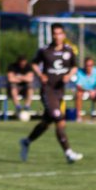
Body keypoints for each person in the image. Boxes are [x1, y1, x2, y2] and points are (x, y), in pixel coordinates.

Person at [20, 25, 83, 163]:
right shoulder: (45, 50)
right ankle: (68, 152)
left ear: (63, 35)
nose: (57, 36)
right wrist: (40, 74)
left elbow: (74, 67)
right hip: (47, 90)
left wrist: (69, 75)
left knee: (46, 123)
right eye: (54, 33)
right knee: (59, 119)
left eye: (59, 33)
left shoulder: (69, 51)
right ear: (52, 35)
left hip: (60, 91)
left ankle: (26, 141)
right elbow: (34, 64)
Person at [74, 56, 96, 122]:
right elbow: (79, 86)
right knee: (78, 94)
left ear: (93, 65)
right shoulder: (80, 72)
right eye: (87, 65)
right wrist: (88, 91)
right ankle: (78, 117)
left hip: (94, 91)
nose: (89, 67)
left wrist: (95, 91)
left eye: (90, 65)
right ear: (84, 65)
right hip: (84, 91)